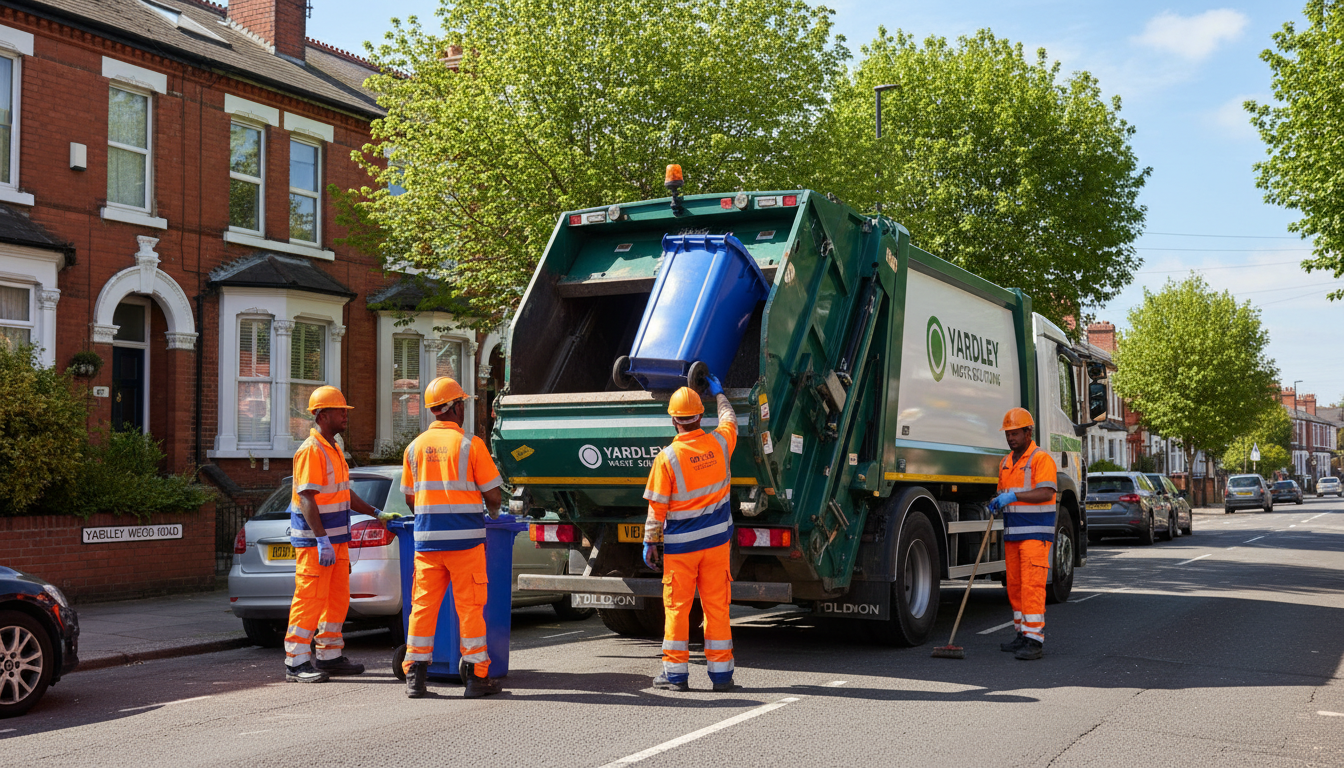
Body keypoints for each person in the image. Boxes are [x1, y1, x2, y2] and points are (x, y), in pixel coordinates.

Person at [400, 376, 505, 699]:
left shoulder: (414, 448)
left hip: (427, 544)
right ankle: (476, 678)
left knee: (422, 607)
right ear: (457, 407)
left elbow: (409, 498)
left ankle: (416, 677)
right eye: (464, 404)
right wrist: (492, 512)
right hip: (466, 544)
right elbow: (495, 495)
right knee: (471, 609)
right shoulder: (471, 445)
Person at [284, 385, 395, 683]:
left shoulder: (333, 448)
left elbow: (344, 493)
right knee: (309, 598)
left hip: (337, 541)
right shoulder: (311, 450)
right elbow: (307, 497)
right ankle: (295, 663)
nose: (345, 416)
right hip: (316, 543)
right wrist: (321, 540)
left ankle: (329, 655)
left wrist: (377, 513)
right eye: (339, 411)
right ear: (322, 415)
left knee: (337, 599)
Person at [642, 373, 738, 691]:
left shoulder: (666, 459)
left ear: (673, 420)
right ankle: (722, 675)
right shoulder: (720, 444)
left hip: (681, 550)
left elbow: (656, 509)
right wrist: (720, 394)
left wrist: (650, 543)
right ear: (700, 416)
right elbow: (729, 420)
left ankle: (675, 675)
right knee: (716, 608)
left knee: (677, 609)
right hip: (716, 546)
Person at [986, 406, 1058, 661]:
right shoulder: (1005, 462)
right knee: (1015, 587)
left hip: (1035, 536)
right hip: (1013, 535)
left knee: (1032, 587)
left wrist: (1013, 496)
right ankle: (1021, 634)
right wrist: (997, 501)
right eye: (1007, 434)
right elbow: (1003, 493)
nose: (1010, 438)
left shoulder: (1041, 459)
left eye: (1015, 433)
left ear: (1028, 432)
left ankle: (1034, 640)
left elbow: (1047, 492)